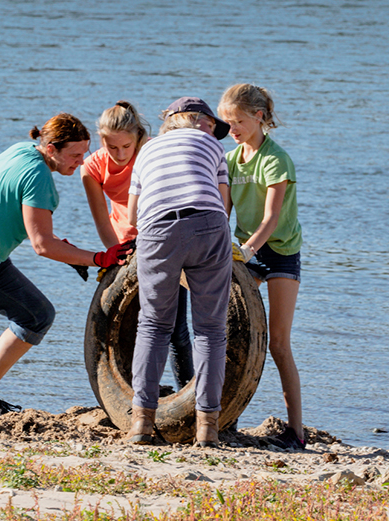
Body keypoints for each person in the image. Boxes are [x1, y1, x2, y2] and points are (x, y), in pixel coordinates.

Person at [0, 113, 133, 425]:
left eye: (85, 152)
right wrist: (99, 258)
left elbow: (10, 211)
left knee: (36, 315)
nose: (81, 162)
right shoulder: (40, 178)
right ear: (51, 149)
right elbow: (42, 245)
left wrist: (73, 253)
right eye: (74, 154)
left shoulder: (21, 150)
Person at [126, 97, 232, 447]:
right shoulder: (212, 146)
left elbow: (131, 216)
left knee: (154, 325)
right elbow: (223, 201)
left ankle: (141, 423)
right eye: (210, 123)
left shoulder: (148, 150)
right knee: (211, 330)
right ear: (197, 121)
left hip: (157, 230)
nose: (212, 129)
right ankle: (208, 428)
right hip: (209, 224)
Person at [81, 101, 194, 390]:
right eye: (111, 147)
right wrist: (116, 253)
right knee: (130, 324)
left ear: (139, 136)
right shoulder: (92, 168)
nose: (119, 155)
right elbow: (102, 221)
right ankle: (134, 391)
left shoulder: (154, 151)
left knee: (174, 326)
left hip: (163, 238)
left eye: (126, 147)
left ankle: (187, 389)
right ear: (101, 141)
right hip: (122, 243)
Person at [218, 84, 305, 450]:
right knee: (227, 334)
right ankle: (224, 416)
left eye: (237, 121)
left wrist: (248, 250)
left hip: (279, 252)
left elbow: (270, 218)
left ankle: (296, 432)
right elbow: (223, 213)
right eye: (227, 123)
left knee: (279, 344)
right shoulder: (228, 159)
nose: (232, 129)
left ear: (259, 116)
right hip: (244, 252)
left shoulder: (275, 159)